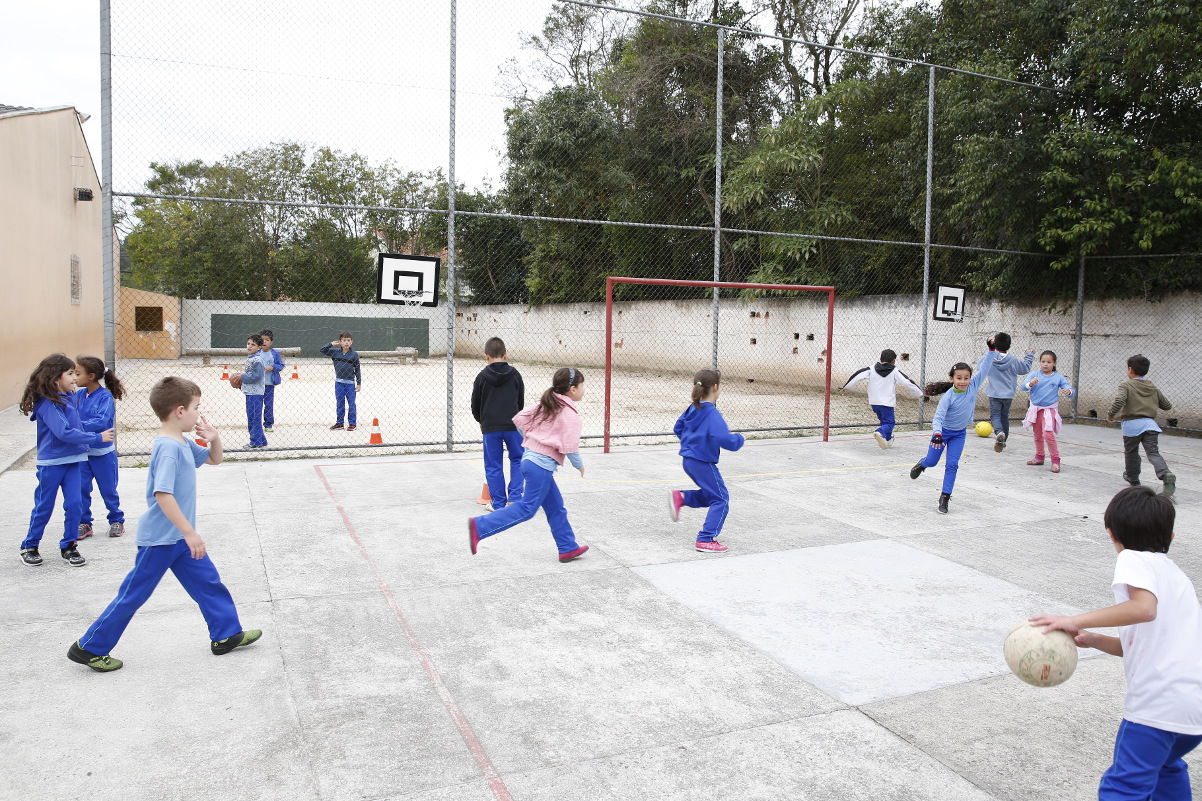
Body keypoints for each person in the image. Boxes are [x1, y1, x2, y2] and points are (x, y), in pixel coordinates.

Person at [68, 377, 262, 672]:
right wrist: (189, 532)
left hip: (180, 539)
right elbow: (163, 494)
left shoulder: (182, 442)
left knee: (208, 583)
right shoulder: (168, 448)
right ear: (180, 411)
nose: (200, 414)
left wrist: (215, 437)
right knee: (133, 595)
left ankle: (226, 635)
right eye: (197, 408)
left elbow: (214, 459)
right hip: (161, 539)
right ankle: (89, 647)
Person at [1030, 486, 1202, 800]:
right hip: (1192, 711)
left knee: (1123, 788)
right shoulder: (1176, 577)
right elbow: (1139, 645)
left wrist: (1076, 620)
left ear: (1112, 535)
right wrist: (1094, 639)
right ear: (1171, 536)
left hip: (1157, 706)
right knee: (1167, 768)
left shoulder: (1132, 560)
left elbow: (1144, 609)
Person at [468, 367, 589, 563]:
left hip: (530, 460)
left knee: (556, 507)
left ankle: (567, 547)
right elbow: (571, 448)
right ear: (572, 390)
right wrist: (580, 466)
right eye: (583, 385)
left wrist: (532, 439)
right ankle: (479, 527)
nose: (584, 389)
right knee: (527, 509)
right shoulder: (570, 415)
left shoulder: (546, 403)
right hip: (539, 467)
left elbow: (519, 419)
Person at [19, 354, 114, 567]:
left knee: (75, 504)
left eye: (75, 373)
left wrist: (93, 432)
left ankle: (69, 546)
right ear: (55, 379)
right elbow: (64, 432)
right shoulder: (47, 405)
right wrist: (97, 438)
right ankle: (30, 545)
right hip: (52, 464)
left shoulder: (70, 398)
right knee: (44, 506)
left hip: (74, 460)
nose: (74, 378)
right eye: (70, 373)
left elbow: (78, 425)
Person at [669, 369, 744, 553]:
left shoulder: (692, 407)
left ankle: (682, 497)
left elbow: (678, 427)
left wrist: (691, 443)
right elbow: (725, 439)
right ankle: (705, 538)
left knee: (711, 495)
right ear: (716, 388)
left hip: (689, 460)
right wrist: (739, 439)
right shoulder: (711, 413)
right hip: (702, 462)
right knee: (721, 499)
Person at [909, 352, 990, 514]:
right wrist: (938, 434)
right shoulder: (948, 397)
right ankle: (922, 464)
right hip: (942, 434)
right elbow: (938, 418)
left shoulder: (972, 387)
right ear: (952, 379)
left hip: (959, 434)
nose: (963, 381)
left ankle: (945, 497)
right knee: (932, 461)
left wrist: (992, 350)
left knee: (952, 465)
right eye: (959, 378)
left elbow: (985, 368)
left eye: (966, 378)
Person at [74, 355, 126, 539]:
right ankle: (84, 523)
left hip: (103, 454)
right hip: (82, 453)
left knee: (108, 489)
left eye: (77, 373)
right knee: (81, 489)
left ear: (91, 376)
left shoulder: (105, 397)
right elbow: (70, 417)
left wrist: (76, 427)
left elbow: (101, 421)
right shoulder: (78, 395)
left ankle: (116, 520)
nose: (74, 377)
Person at [1108, 354, 1175, 496]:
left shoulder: (1126, 385)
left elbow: (1120, 400)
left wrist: (1110, 414)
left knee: (1131, 452)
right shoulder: (1152, 387)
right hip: (1150, 425)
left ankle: (1133, 478)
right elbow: (1167, 405)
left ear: (1130, 370)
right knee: (1153, 453)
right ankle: (1165, 474)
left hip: (1132, 425)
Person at [471, 337, 525, 511]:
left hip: (490, 427)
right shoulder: (515, 374)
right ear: (506, 355)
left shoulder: (481, 377)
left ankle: (498, 502)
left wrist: (481, 420)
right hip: (512, 425)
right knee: (517, 459)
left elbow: (475, 404)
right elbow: (520, 400)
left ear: (486, 356)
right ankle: (515, 498)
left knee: (493, 464)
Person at [842, 349, 923, 449]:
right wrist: (919, 393)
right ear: (893, 361)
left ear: (880, 359)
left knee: (884, 422)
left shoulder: (871, 369)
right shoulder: (894, 371)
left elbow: (858, 375)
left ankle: (888, 440)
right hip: (887, 403)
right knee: (889, 423)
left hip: (874, 402)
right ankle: (880, 432)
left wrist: (848, 387)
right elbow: (907, 382)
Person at [1020, 350, 1074, 473]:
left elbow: (1070, 390)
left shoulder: (1058, 377)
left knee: (1048, 433)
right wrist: (1030, 384)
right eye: (1043, 361)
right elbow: (1023, 386)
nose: (1045, 364)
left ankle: (1055, 460)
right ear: (1040, 362)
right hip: (1036, 409)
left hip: (1050, 410)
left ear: (1054, 363)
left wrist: (1068, 391)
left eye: (1049, 362)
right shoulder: (1035, 375)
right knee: (1037, 434)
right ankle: (1039, 457)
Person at [980, 333, 1035, 453]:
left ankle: (999, 432)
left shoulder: (990, 357)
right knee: (1004, 417)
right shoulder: (1013, 360)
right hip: (1008, 394)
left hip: (994, 394)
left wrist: (990, 349)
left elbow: (981, 366)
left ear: (995, 343)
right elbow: (1025, 368)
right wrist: (1029, 356)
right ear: (1009, 345)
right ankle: (1003, 440)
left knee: (995, 416)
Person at [321, 331, 361, 431]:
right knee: (340, 403)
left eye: (348, 340)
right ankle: (339, 423)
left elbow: (357, 370)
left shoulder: (354, 355)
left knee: (351, 404)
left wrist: (359, 383)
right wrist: (331, 344)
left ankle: (352, 423)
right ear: (340, 342)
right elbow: (323, 350)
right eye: (344, 340)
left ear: (352, 342)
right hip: (339, 383)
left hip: (350, 384)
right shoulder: (335, 353)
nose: (346, 342)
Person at [237, 333, 269, 448]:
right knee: (252, 417)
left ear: (260, 347)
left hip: (255, 394)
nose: (249, 346)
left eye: (253, 345)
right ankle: (262, 441)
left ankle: (255, 442)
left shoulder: (257, 360)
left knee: (254, 419)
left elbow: (257, 376)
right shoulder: (251, 358)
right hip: (250, 392)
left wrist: (242, 377)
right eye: (248, 344)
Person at [259, 329, 284, 433]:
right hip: (258, 384)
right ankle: (256, 424)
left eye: (267, 340)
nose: (264, 342)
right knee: (257, 405)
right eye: (262, 340)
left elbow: (281, 365)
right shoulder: (257, 352)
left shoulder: (274, 353)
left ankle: (268, 424)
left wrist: (272, 367)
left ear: (271, 342)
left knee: (268, 405)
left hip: (269, 384)